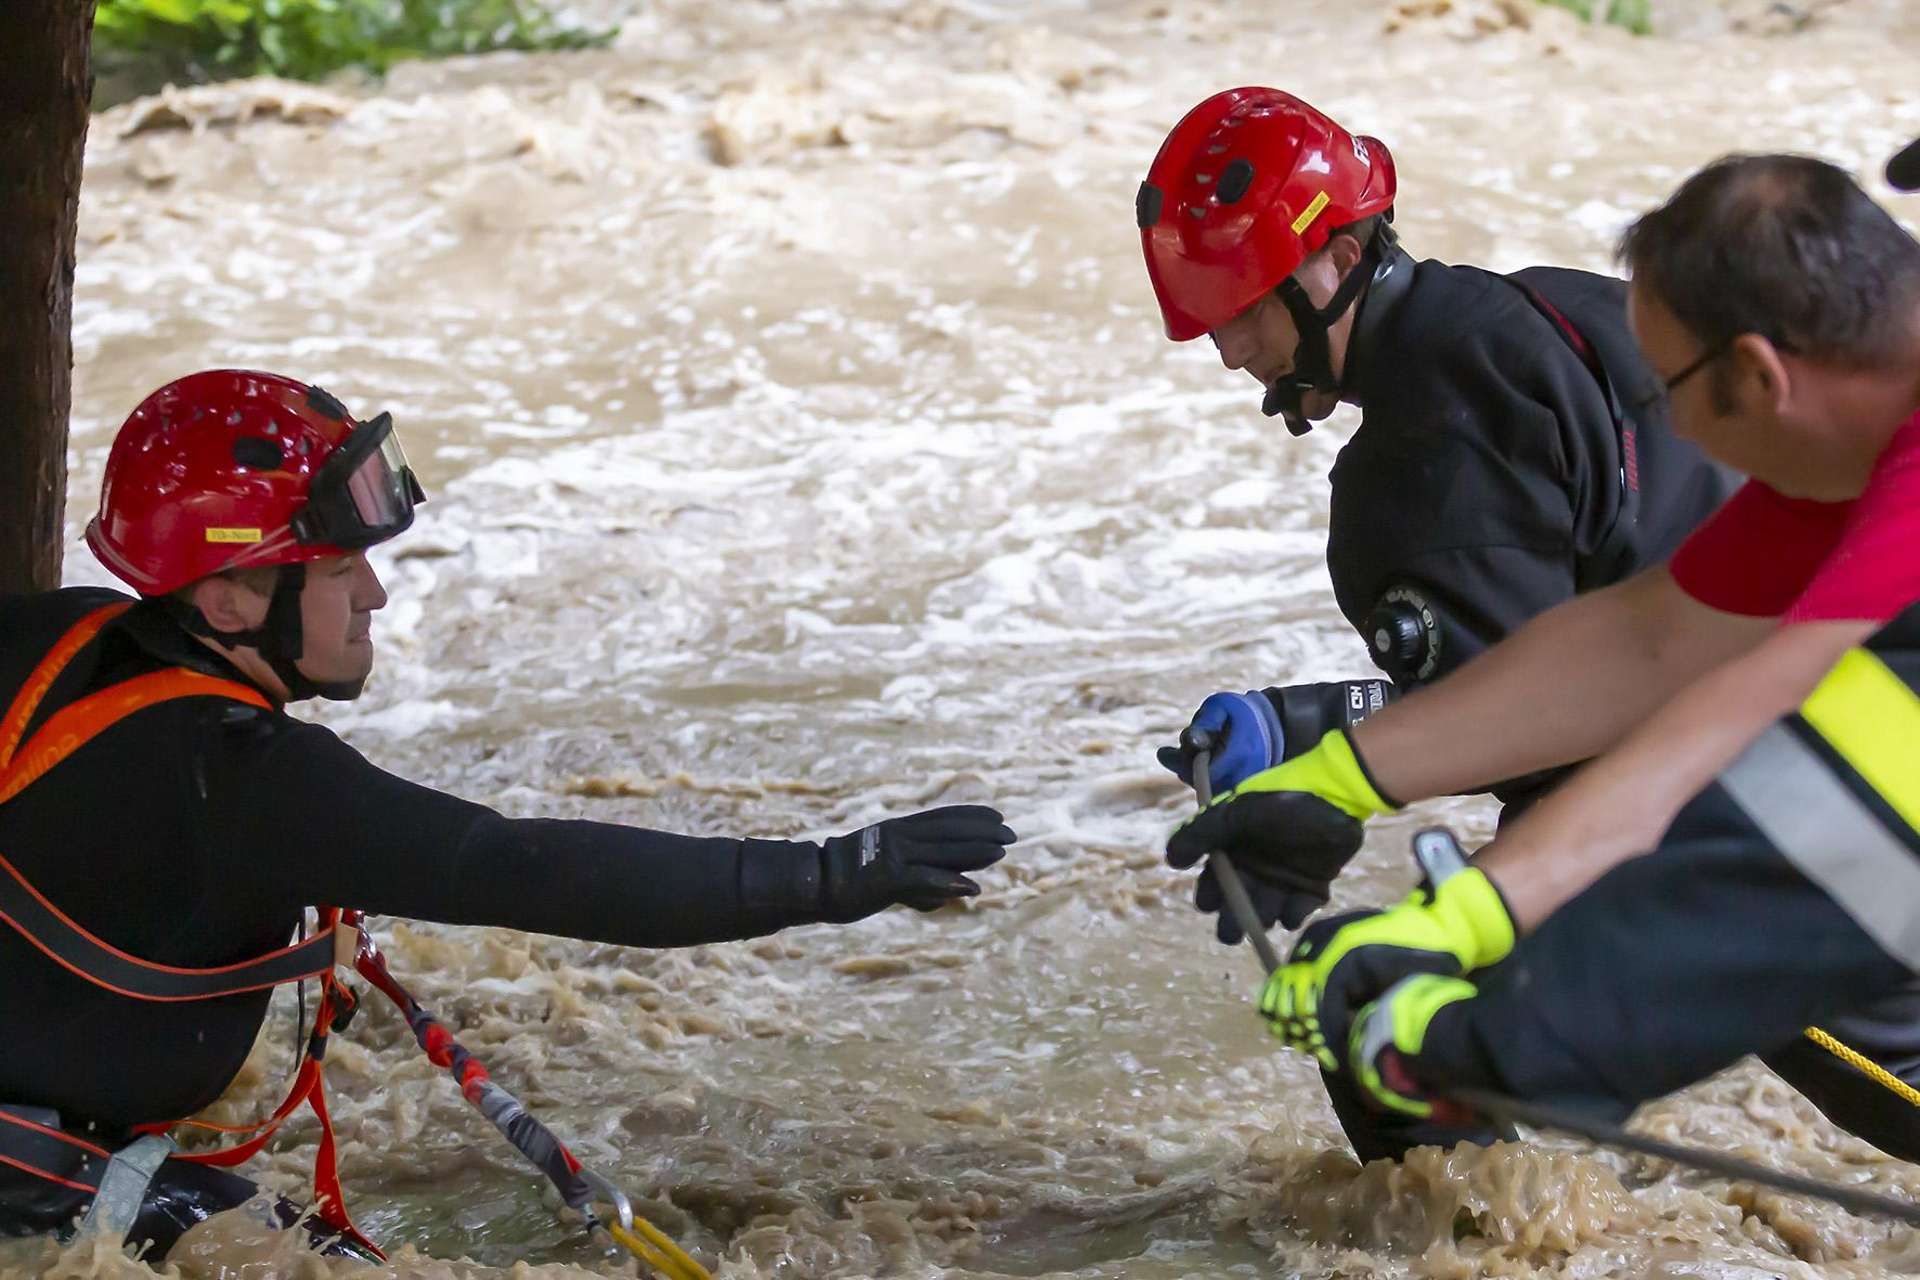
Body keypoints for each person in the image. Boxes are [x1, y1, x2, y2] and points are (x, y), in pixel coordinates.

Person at [0, 370, 1018, 1259]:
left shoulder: (48, 630)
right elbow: (516, 865)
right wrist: (827, 875)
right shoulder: (248, 778)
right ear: (226, 600)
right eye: (341, 564)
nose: (376, 594)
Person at [1167, 154, 1920, 1159]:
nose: (1665, 426)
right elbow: (1644, 643)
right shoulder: (1839, 466)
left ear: (1759, 374)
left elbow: (1794, 834)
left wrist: (1501, 1029)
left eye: (1669, 388)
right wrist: (1352, 779)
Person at [1140, 87, 1735, 852]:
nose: (1231, 353)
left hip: (1696, 812)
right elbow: (1578, 661)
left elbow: (1533, 723)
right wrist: (1301, 724)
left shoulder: (1413, 467)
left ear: (1342, 259)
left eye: (1247, 310)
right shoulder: (1560, 301)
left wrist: (1314, 752)